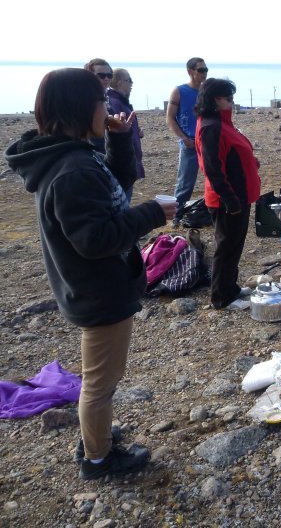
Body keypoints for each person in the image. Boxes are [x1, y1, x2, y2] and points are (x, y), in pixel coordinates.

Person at [4, 68, 176, 480]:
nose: (109, 105)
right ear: (83, 108)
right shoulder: (73, 169)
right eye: (102, 100)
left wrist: (116, 139)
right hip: (99, 291)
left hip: (92, 287)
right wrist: (152, 213)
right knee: (100, 383)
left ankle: (95, 437)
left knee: (102, 378)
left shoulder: (73, 156)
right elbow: (96, 239)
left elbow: (113, 188)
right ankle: (98, 459)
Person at [195, 78, 262, 311]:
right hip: (227, 198)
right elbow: (211, 167)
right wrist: (230, 199)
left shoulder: (222, 123)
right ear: (216, 100)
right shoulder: (211, 126)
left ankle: (230, 287)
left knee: (235, 245)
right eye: (229, 99)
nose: (233, 103)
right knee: (226, 247)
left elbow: (231, 153)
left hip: (238, 195)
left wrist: (250, 162)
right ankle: (222, 297)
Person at [167, 57, 208, 224]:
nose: (204, 73)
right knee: (185, 183)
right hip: (190, 143)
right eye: (201, 70)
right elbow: (170, 118)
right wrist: (183, 138)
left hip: (206, 142)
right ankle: (176, 215)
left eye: (206, 70)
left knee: (213, 179)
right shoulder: (179, 91)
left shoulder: (207, 91)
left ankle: (209, 212)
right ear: (190, 71)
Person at [107, 69, 144, 202]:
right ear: (120, 82)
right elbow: (115, 129)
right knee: (122, 199)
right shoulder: (114, 102)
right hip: (123, 159)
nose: (132, 84)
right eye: (129, 80)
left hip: (127, 157)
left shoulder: (120, 101)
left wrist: (136, 132)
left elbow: (123, 128)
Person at [84, 58, 114, 152]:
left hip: (108, 148)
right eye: (101, 75)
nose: (106, 79)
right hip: (95, 149)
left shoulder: (107, 97)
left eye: (109, 76)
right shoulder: (84, 99)